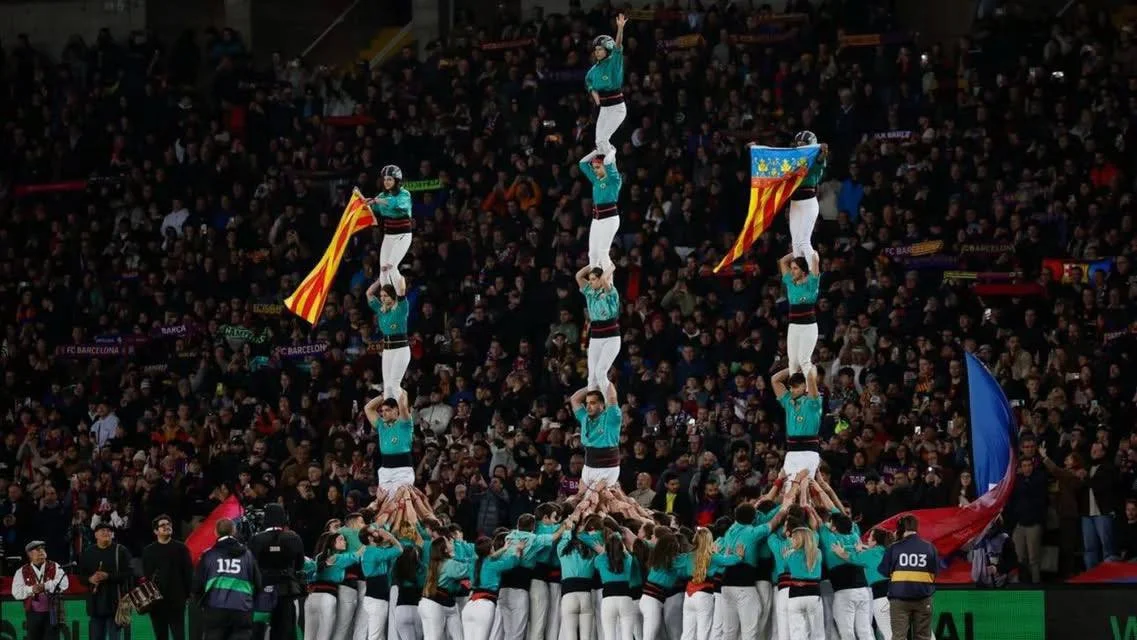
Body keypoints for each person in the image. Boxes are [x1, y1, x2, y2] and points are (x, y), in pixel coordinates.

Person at [194, 518, 262, 640]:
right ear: (234, 531)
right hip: (242, 610)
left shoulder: (208, 555)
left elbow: (197, 586)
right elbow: (258, 584)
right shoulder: (247, 554)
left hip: (215, 610)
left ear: (216, 532)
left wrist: (204, 605)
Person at [248, 505, 306, 640]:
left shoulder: (256, 539)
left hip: (262, 590)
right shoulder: (294, 538)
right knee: (284, 630)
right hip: (286, 591)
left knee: (257, 630)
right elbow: (300, 565)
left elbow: (250, 565)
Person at [878, 515, 937, 640]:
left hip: (899, 601)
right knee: (923, 637)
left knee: (899, 637)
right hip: (923, 599)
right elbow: (935, 572)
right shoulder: (929, 547)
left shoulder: (893, 548)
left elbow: (883, 571)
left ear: (901, 529)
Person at [462, 533, 524, 640]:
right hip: (484, 606)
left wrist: (504, 549)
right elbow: (513, 561)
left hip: (469, 606)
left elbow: (489, 556)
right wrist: (518, 549)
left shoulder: (473, 563)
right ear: (491, 549)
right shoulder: (494, 565)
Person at [142, 514, 194, 640]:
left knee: (179, 635)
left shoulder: (181, 548)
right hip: (156, 601)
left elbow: (188, 573)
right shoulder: (149, 550)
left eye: (168, 524)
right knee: (160, 636)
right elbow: (147, 576)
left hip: (177, 600)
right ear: (155, 531)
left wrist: (187, 595)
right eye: (163, 525)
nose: (167, 527)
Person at [78, 523, 133, 640]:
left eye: (109, 531)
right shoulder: (88, 552)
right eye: (102, 530)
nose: (106, 533)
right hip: (95, 605)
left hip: (115, 605)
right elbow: (80, 577)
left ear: (112, 535)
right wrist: (90, 579)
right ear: (95, 535)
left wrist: (108, 576)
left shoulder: (121, 551)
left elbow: (130, 574)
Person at [586, 14, 629, 157]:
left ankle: (611, 164)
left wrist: (620, 29)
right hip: (604, 109)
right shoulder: (592, 71)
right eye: (595, 49)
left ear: (607, 49)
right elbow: (590, 84)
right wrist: (596, 98)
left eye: (600, 49)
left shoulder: (614, 62)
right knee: (599, 141)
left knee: (604, 139)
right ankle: (607, 171)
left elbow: (617, 46)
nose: (597, 52)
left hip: (617, 109)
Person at [576, 265, 621, 395]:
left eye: (593, 279)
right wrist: (592, 264)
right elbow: (578, 276)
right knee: (592, 378)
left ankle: (610, 402)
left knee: (601, 372)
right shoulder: (590, 292)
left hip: (611, 338)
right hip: (595, 337)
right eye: (589, 279)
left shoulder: (611, 292)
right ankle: (595, 409)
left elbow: (604, 281)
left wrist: (611, 267)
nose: (590, 282)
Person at [11, 540, 70, 640]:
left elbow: (64, 583)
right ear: (29, 554)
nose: (41, 552)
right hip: (33, 614)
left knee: (52, 637)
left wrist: (45, 586)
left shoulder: (54, 566)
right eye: (37, 550)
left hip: (53, 612)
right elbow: (16, 592)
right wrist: (32, 589)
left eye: (43, 549)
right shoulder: (22, 571)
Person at [771, 367, 822, 481]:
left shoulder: (813, 402)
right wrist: (793, 366)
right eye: (790, 387)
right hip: (791, 451)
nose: (792, 390)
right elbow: (775, 380)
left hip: (809, 452)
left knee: (805, 488)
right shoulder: (788, 401)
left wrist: (806, 365)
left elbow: (810, 375)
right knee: (789, 490)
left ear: (804, 386)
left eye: (795, 387)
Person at [366, 274, 411, 400]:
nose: (383, 298)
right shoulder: (381, 310)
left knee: (395, 384)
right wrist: (380, 278)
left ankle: (404, 411)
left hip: (401, 349)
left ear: (392, 296)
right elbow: (369, 293)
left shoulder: (401, 308)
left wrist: (394, 272)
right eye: (381, 296)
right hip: (387, 350)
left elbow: (402, 287)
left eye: (385, 296)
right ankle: (389, 414)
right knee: (387, 387)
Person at [305, 531, 356, 640]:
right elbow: (358, 554)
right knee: (324, 636)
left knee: (309, 636)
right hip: (327, 598)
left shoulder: (319, 557)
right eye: (341, 539)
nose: (345, 541)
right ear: (332, 543)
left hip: (311, 598)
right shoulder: (339, 558)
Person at [570, 383, 622, 490]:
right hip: (589, 465)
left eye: (592, 403)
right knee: (582, 499)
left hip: (608, 468)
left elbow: (612, 398)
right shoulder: (584, 418)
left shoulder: (611, 418)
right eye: (587, 403)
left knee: (602, 500)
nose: (588, 406)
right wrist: (592, 385)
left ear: (602, 405)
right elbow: (574, 399)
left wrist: (603, 380)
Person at [786, 131, 827, 263]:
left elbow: (821, 158)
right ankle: (801, 277)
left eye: (805, 145)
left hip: (808, 202)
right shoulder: (793, 161)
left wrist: (824, 151)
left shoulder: (816, 160)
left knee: (804, 241)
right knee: (796, 244)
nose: (801, 148)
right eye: (799, 145)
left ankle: (813, 275)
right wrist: (755, 149)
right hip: (795, 202)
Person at [578, 151, 623, 272]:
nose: (595, 170)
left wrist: (611, 150)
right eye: (594, 168)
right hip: (597, 219)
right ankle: (597, 284)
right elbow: (582, 163)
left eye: (598, 167)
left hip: (609, 218)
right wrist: (596, 151)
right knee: (592, 254)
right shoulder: (596, 179)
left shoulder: (614, 179)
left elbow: (608, 162)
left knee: (603, 252)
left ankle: (609, 285)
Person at [370, 165, 413, 285]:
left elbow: (396, 204)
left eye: (389, 179)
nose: (386, 182)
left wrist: (379, 201)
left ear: (397, 181)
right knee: (383, 270)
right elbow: (373, 208)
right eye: (385, 179)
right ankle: (387, 300)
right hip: (388, 235)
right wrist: (365, 202)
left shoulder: (405, 194)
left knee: (391, 266)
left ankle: (400, 296)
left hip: (403, 235)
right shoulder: (381, 196)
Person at [358, 526, 404, 640]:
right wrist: (391, 537)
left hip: (375, 598)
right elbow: (399, 550)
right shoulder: (372, 551)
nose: (378, 532)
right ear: (370, 538)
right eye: (375, 531)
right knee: (375, 636)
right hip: (376, 601)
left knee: (378, 636)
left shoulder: (371, 550)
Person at [778, 253, 821, 375]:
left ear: (803, 271)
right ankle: (795, 390)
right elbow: (782, 261)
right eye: (791, 268)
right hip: (794, 327)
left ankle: (809, 391)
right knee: (793, 362)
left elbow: (815, 260)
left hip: (808, 327)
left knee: (804, 360)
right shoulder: (790, 283)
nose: (792, 271)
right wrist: (796, 251)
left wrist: (808, 251)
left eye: (795, 268)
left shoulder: (812, 284)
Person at [365, 390, 415, 495]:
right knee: (384, 502)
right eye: (382, 411)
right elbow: (368, 408)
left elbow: (403, 406)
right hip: (385, 470)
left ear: (396, 410)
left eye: (387, 410)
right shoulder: (381, 426)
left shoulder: (405, 423)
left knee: (400, 503)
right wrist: (382, 396)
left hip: (403, 470)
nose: (383, 414)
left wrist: (397, 389)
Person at [420, 536, 468, 640]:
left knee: (458, 636)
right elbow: (468, 569)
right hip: (435, 604)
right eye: (449, 542)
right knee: (433, 637)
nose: (452, 542)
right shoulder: (449, 564)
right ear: (445, 549)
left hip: (442, 603)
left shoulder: (437, 562)